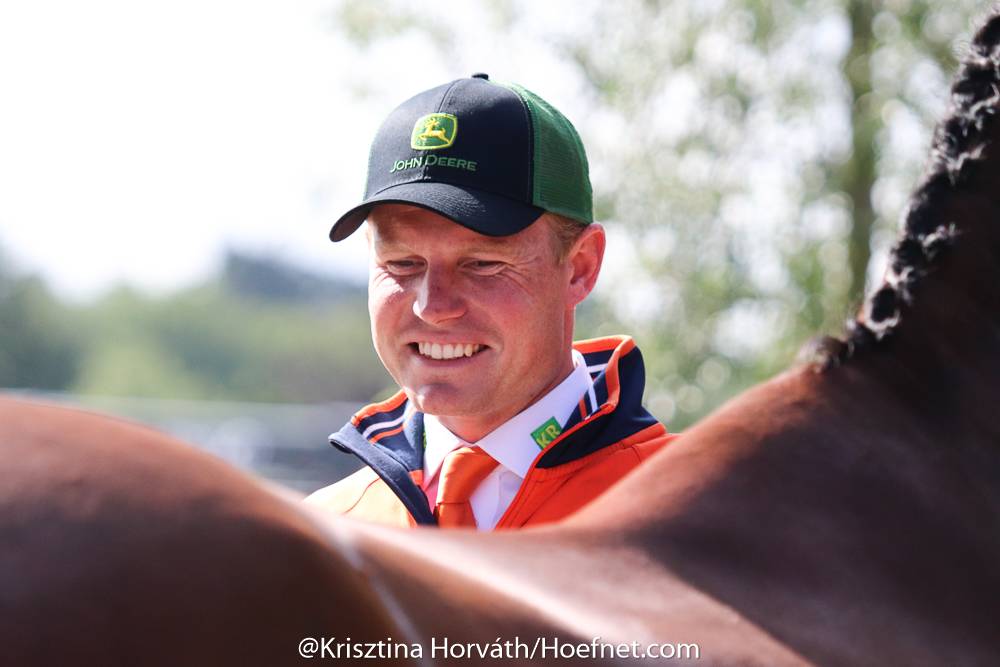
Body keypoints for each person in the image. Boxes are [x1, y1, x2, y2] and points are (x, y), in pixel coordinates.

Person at [305, 73, 677, 529]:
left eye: (481, 264)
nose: (432, 306)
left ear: (580, 267)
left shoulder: (695, 519)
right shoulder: (322, 534)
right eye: (402, 263)